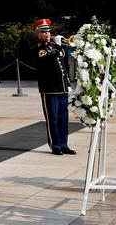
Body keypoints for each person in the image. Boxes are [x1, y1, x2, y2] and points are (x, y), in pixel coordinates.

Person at [35, 19, 75, 155]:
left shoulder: (55, 46)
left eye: (48, 32)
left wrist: (67, 84)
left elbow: (63, 66)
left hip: (61, 87)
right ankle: (55, 144)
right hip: (49, 88)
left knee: (63, 117)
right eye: (43, 32)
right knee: (52, 118)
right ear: (38, 34)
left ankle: (64, 143)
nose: (47, 34)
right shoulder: (39, 48)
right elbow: (47, 59)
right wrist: (57, 47)